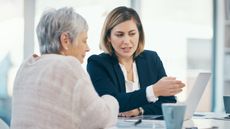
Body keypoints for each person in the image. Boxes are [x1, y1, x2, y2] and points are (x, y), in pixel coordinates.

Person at [10, 7, 119, 129]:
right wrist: (110, 99)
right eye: (84, 40)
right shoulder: (68, 66)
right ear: (65, 40)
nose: (87, 48)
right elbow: (101, 119)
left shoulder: (26, 66)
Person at [87, 6, 185, 117]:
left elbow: (168, 101)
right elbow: (112, 103)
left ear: (139, 34)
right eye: (119, 35)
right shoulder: (97, 63)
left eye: (132, 34)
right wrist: (153, 91)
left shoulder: (151, 59)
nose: (127, 41)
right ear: (108, 37)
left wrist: (140, 110)